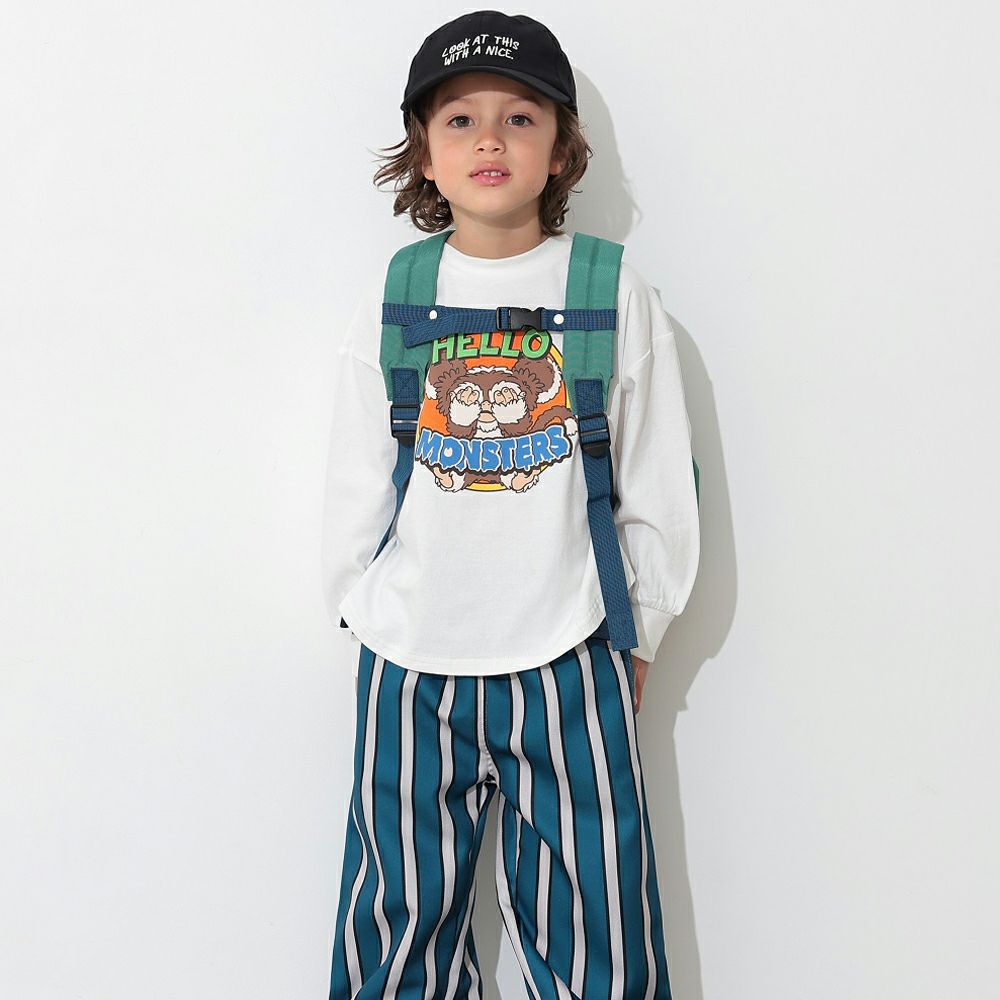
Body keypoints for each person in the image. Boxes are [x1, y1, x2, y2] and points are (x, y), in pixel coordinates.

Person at [321, 11, 700, 998]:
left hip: (571, 650)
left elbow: (657, 474)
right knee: (396, 926)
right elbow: (357, 473)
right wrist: (360, 610)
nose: (489, 139)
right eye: (460, 119)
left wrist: (640, 632)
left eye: (519, 117)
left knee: (599, 932)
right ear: (424, 153)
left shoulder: (610, 290)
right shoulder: (397, 293)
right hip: (411, 664)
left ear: (562, 149)